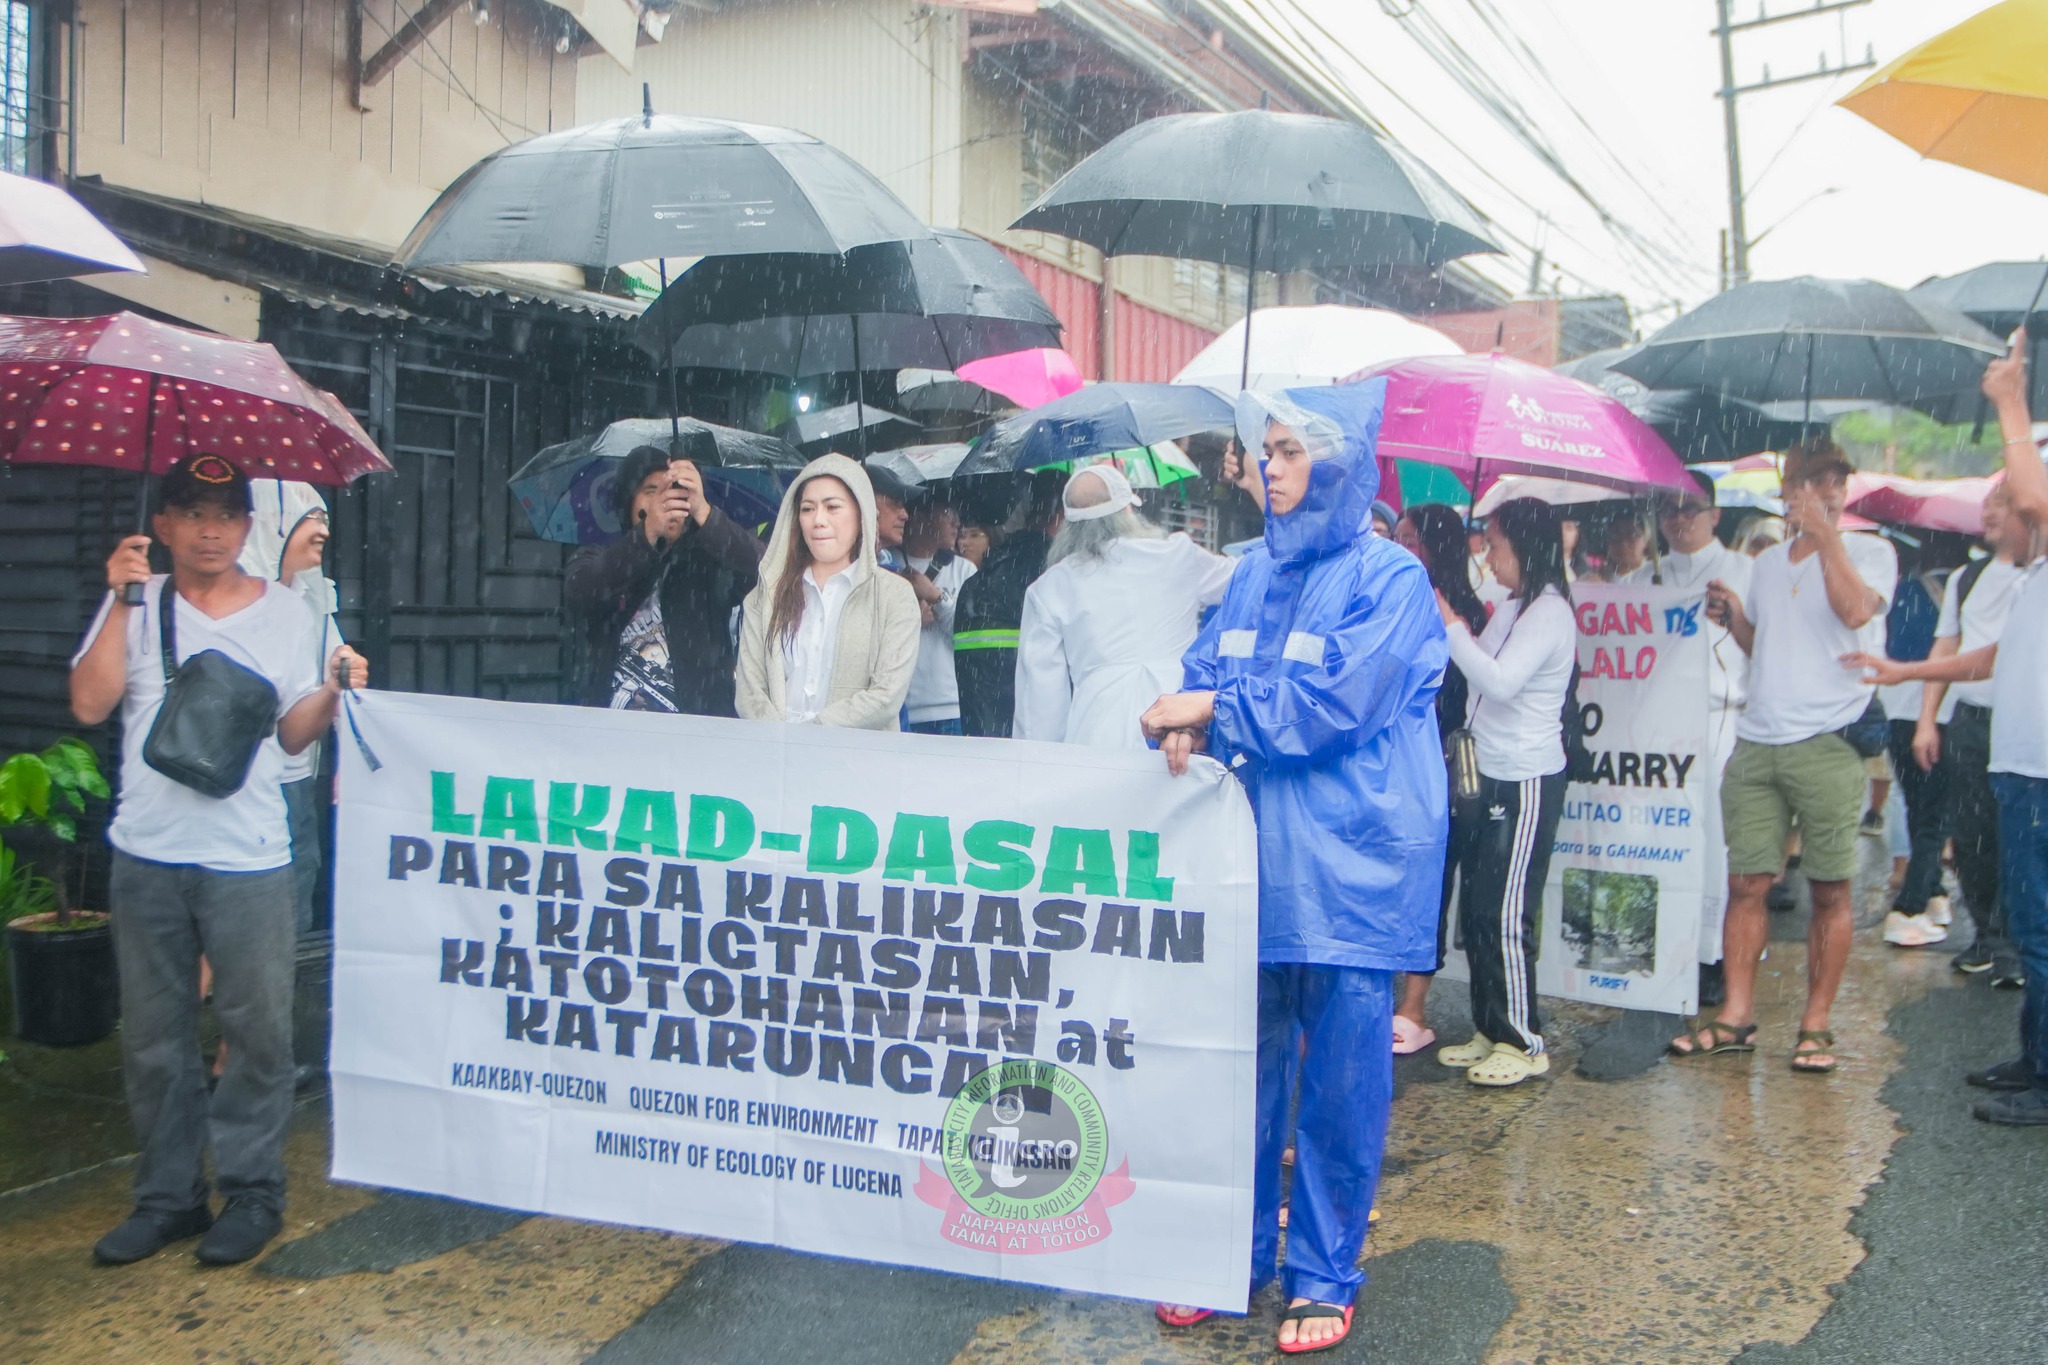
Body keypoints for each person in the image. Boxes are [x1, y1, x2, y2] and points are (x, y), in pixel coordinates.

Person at [1143, 384, 1446, 1353]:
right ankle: (1230, 1260)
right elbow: (1196, 681)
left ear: (1339, 460)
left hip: (1352, 870)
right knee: (1242, 1079)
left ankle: (1322, 1272)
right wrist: (1180, 728)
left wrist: (1210, 714)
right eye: (1259, 450)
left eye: (1283, 450)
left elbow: (1327, 708)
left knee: (1339, 1087)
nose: (1262, 467)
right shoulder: (1243, 577)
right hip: (1249, 868)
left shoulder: (1388, 580)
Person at [70, 454, 366, 1268]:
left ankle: (253, 1190)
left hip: (249, 857)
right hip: (147, 854)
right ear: (161, 525)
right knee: (156, 1039)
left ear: (246, 526)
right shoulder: (136, 601)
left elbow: (291, 734)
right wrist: (123, 595)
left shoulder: (283, 614)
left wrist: (335, 690)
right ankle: (166, 1198)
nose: (210, 529)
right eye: (192, 512)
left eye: (227, 514)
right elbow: (90, 703)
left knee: (258, 1031)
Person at [1673, 437, 1896, 1075]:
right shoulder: (1767, 565)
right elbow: (1762, 648)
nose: (1827, 492)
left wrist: (1828, 538)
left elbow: (1854, 611)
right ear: (1787, 491)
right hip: (1758, 738)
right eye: (1812, 482)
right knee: (1746, 884)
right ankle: (1736, 1016)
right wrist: (1737, 616)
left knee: (1829, 888)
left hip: (1829, 741)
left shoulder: (1870, 551)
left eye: (1836, 482)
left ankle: (1816, 1024)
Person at [1851, 485, 2033, 984]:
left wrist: (1903, 676)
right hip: (1971, 720)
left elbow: (1995, 657)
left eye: (2004, 501)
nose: (1992, 511)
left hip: (2025, 721)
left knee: (2020, 835)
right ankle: (1991, 936)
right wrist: (1928, 718)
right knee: (1972, 838)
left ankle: (2019, 946)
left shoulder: (2034, 577)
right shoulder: (1966, 578)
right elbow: (1945, 649)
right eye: (1989, 503)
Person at [1434, 497, 1579, 1086]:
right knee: (1477, 907)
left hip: (1525, 778)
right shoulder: (1515, 607)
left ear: (1526, 546)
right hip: (1487, 771)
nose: (1488, 558)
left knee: (1506, 910)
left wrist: (1451, 628)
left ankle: (1523, 1040)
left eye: (1495, 545)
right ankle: (1490, 1028)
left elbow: (1499, 679)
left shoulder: (1549, 612)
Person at [1014, 466, 1235, 748]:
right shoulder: (1177, 555)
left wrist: (1038, 765)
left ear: (1067, 526)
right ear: (1128, 511)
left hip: (1097, 728)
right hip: (1179, 724)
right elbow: (1240, 580)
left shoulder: (1050, 587)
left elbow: (1040, 702)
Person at [1391, 502, 1490, 1054]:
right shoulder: (1389, 601)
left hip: (1440, 765)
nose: (1401, 549)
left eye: (1411, 541)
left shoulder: (1463, 611)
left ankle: (1415, 1004)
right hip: (1392, 762)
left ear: (1437, 547)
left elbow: (1458, 693)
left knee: (1432, 877)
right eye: (1397, 539)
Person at [565, 442, 762, 717]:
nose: (664, 500)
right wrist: (647, 537)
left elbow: (766, 574)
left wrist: (705, 513)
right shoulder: (599, 557)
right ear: (628, 502)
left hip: (697, 737)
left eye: (673, 491)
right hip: (611, 735)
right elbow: (582, 593)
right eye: (650, 491)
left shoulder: (707, 564)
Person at [1654, 471, 1753, 1009]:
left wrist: (1732, 612)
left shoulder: (1744, 570)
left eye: (1691, 507)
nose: (1680, 517)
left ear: (1716, 514)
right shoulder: (1652, 574)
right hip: (1661, 722)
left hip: (1720, 715)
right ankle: (1667, 944)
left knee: (1712, 839)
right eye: (1669, 506)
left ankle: (1710, 954)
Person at [734, 453, 920, 729]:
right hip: (776, 759)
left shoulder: (895, 596)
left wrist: (815, 734)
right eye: (807, 509)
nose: (818, 520)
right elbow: (749, 694)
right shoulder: (765, 596)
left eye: (832, 507)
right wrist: (783, 743)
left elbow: (887, 696)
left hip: (856, 763)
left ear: (862, 514)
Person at [237, 481, 340, 937]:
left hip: (296, 778)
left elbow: (336, 675)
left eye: (324, 519)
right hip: (239, 781)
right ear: (271, 527)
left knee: (299, 879)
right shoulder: (234, 602)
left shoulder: (311, 599)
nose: (322, 531)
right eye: (309, 518)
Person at [1875, 544, 1953, 947]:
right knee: (1936, 815)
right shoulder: (1960, 587)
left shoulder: (1900, 588)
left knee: (1916, 805)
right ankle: (1910, 907)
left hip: (1896, 710)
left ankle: (1934, 892)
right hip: (1939, 713)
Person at [953, 472, 1064, 738]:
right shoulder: (1054, 578)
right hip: (1034, 743)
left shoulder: (979, 579)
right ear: (1062, 514)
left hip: (980, 736)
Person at [899, 500, 976, 735]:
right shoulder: (887, 563)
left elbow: (968, 632)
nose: (956, 522)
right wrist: (910, 619)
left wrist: (936, 597)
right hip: (901, 706)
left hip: (951, 707)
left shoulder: (964, 570)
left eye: (956, 513)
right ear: (919, 515)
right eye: (946, 512)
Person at [1598, 507, 1655, 584]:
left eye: (1633, 535)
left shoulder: (1657, 575)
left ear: (1646, 540)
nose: (1623, 543)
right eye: (1616, 535)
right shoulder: (1596, 581)